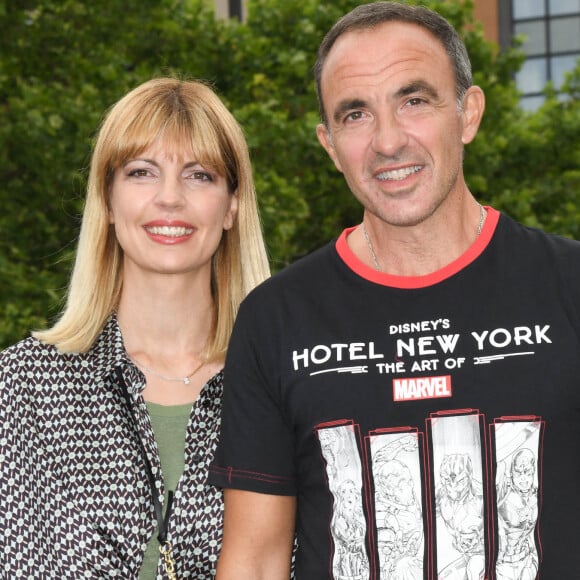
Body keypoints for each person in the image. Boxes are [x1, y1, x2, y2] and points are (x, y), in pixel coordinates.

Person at [208, 2, 580, 578]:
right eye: (355, 114)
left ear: (468, 113)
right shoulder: (275, 319)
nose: (387, 141)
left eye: (414, 100)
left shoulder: (568, 285)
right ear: (330, 144)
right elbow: (254, 561)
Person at [0, 77, 270, 578]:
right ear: (106, 200)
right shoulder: (19, 389)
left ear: (232, 205)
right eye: (142, 172)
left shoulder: (280, 387)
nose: (169, 198)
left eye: (200, 175)